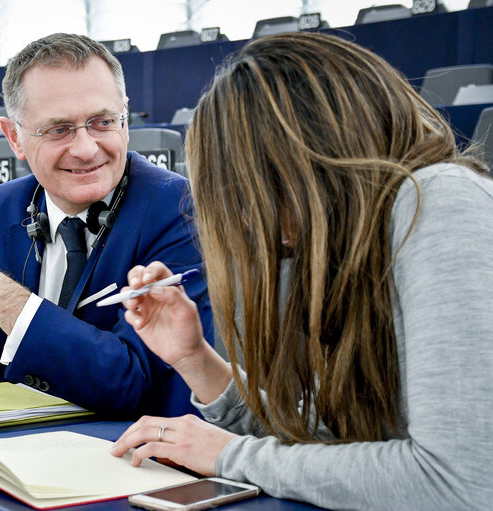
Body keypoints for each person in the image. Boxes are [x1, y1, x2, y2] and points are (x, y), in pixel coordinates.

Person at [111, 32, 493, 509]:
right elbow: (336, 443)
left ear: (317, 155)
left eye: (255, 186)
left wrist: (233, 456)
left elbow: (459, 483)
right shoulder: (352, 241)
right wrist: (197, 361)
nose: (250, 220)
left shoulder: (439, 201)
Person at [0, 33, 212, 418]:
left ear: (124, 117)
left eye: (102, 122)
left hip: (136, 457)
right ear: (14, 138)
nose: (87, 148)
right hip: (12, 454)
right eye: (59, 130)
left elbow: (132, 383)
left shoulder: (178, 208)